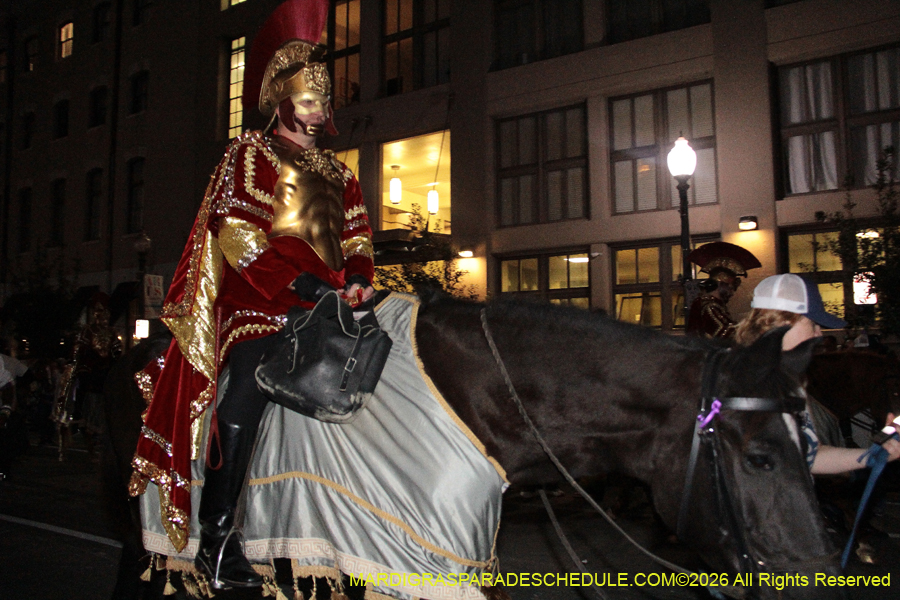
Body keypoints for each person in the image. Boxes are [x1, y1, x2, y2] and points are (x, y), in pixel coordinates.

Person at [128, 0, 374, 589]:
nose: (320, 110)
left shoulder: (341, 174)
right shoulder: (250, 154)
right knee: (246, 394)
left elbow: (359, 232)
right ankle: (217, 538)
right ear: (282, 100)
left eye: (325, 100)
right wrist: (299, 283)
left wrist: (360, 275)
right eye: (310, 99)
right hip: (260, 304)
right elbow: (236, 232)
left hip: (333, 305)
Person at [734, 274, 900, 474]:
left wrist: (873, 455)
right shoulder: (733, 380)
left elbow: (810, 457)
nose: (819, 334)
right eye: (813, 324)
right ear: (782, 321)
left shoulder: (792, 381)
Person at [686, 266, 742, 338]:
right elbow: (722, 331)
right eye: (730, 288)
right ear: (721, 285)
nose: (732, 293)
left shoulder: (714, 303)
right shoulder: (710, 306)